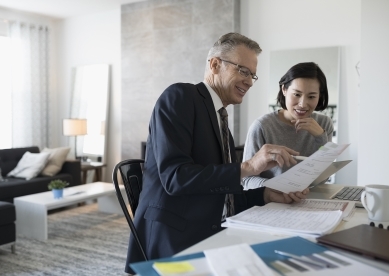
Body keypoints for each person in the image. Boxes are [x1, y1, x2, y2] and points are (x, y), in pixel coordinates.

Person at [125, 33, 309, 274]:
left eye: (252, 75)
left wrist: (266, 195)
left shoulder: (220, 120)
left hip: (213, 231)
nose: (250, 82)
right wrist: (248, 166)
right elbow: (176, 178)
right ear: (214, 64)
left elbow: (223, 194)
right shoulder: (180, 97)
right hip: (174, 239)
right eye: (243, 71)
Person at [242, 62, 334, 190]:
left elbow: (323, 178)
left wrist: (320, 137)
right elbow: (246, 180)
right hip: (273, 203)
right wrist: (277, 190)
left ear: (319, 96)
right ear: (284, 90)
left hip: (312, 200)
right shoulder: (262, 127)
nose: (302, 104)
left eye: (311, 96)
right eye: (296, 94)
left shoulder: (324, 124)